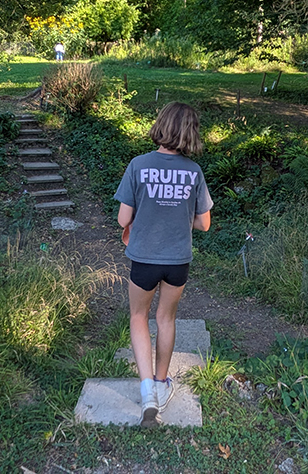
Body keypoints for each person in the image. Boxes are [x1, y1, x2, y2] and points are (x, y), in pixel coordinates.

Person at [114, 102, 212, 427]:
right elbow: (204, 224)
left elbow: (122, 219)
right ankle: (161, 381)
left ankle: (147, 395)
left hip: (143, 259)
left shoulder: (138, 165)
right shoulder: (194, 171)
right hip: (178, 261)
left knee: (138, 316)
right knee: (166, 319)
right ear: (189, 133)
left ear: (160, 126)